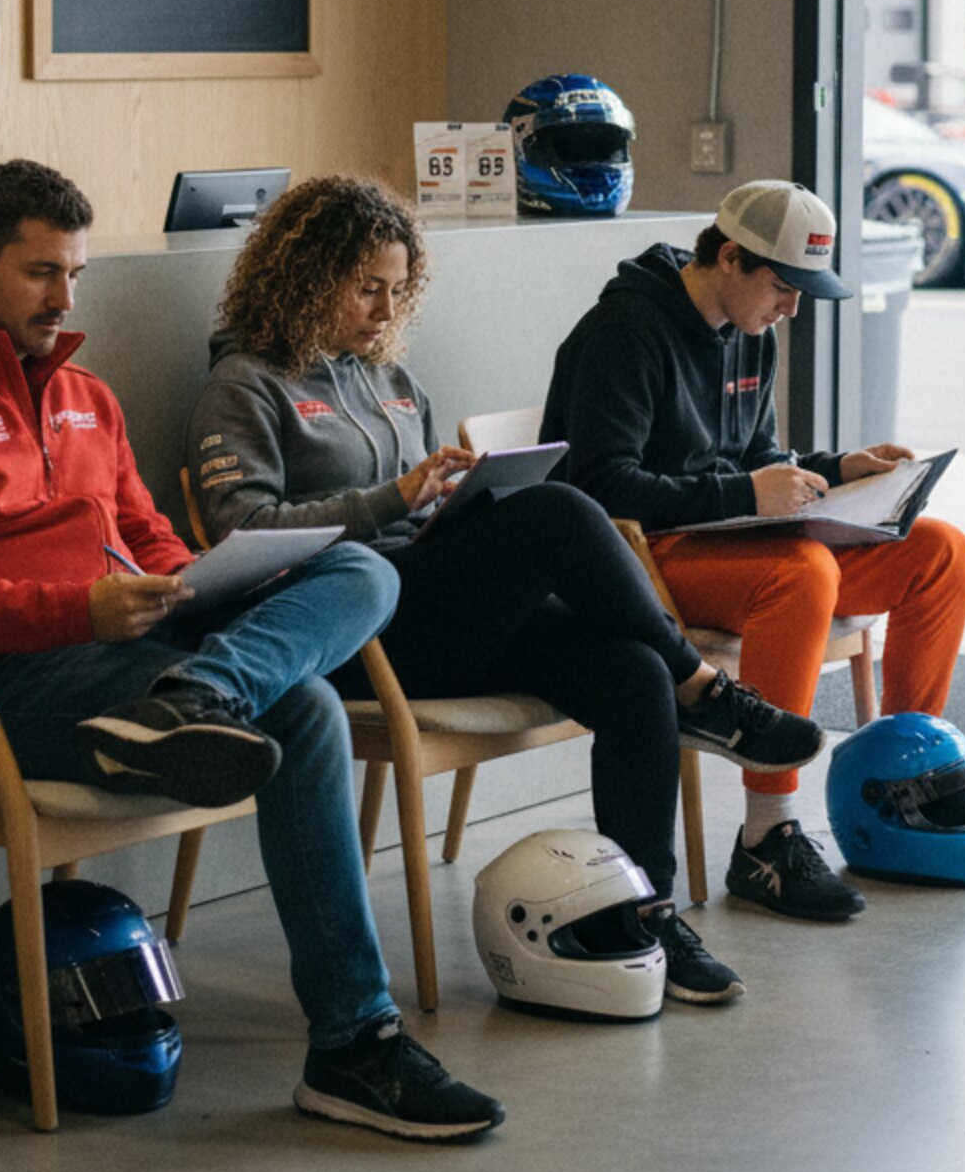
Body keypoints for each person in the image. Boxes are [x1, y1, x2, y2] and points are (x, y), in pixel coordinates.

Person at [0, 159, 504, 1142]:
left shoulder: (84, 396)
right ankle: (355, 1037)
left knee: (369, 576)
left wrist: (196, 584)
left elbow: (146, 534)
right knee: (306, 706)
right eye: (41, 272)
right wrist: (80, 609)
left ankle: (199, 696)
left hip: (132, 653)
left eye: (75, 275)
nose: (64, 297)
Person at [183, 173, 827, 1008]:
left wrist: (453, 503)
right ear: (304, 278)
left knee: (631, 671)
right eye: (364, 288)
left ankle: (647, 911)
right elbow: (239, 531)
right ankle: (706, 690)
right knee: (560, 510)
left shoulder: (393, 382)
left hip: (428, 605)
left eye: (396, 290)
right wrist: (394, 498)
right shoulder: (244, 382)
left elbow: (416, 518)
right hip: (345, 629)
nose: (385, 312)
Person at [543, 178, 965, 925]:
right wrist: (748, 496)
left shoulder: (755, 334)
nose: (792, 308)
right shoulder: (624, 331)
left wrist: (839, 471)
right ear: (727, 258)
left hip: (730, 537)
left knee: (939, 550)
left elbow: (756, 458)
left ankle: (909, 787)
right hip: (648, 558)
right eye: (784, 287)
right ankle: (766, 838)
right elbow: (601, 489)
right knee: (802, 574)